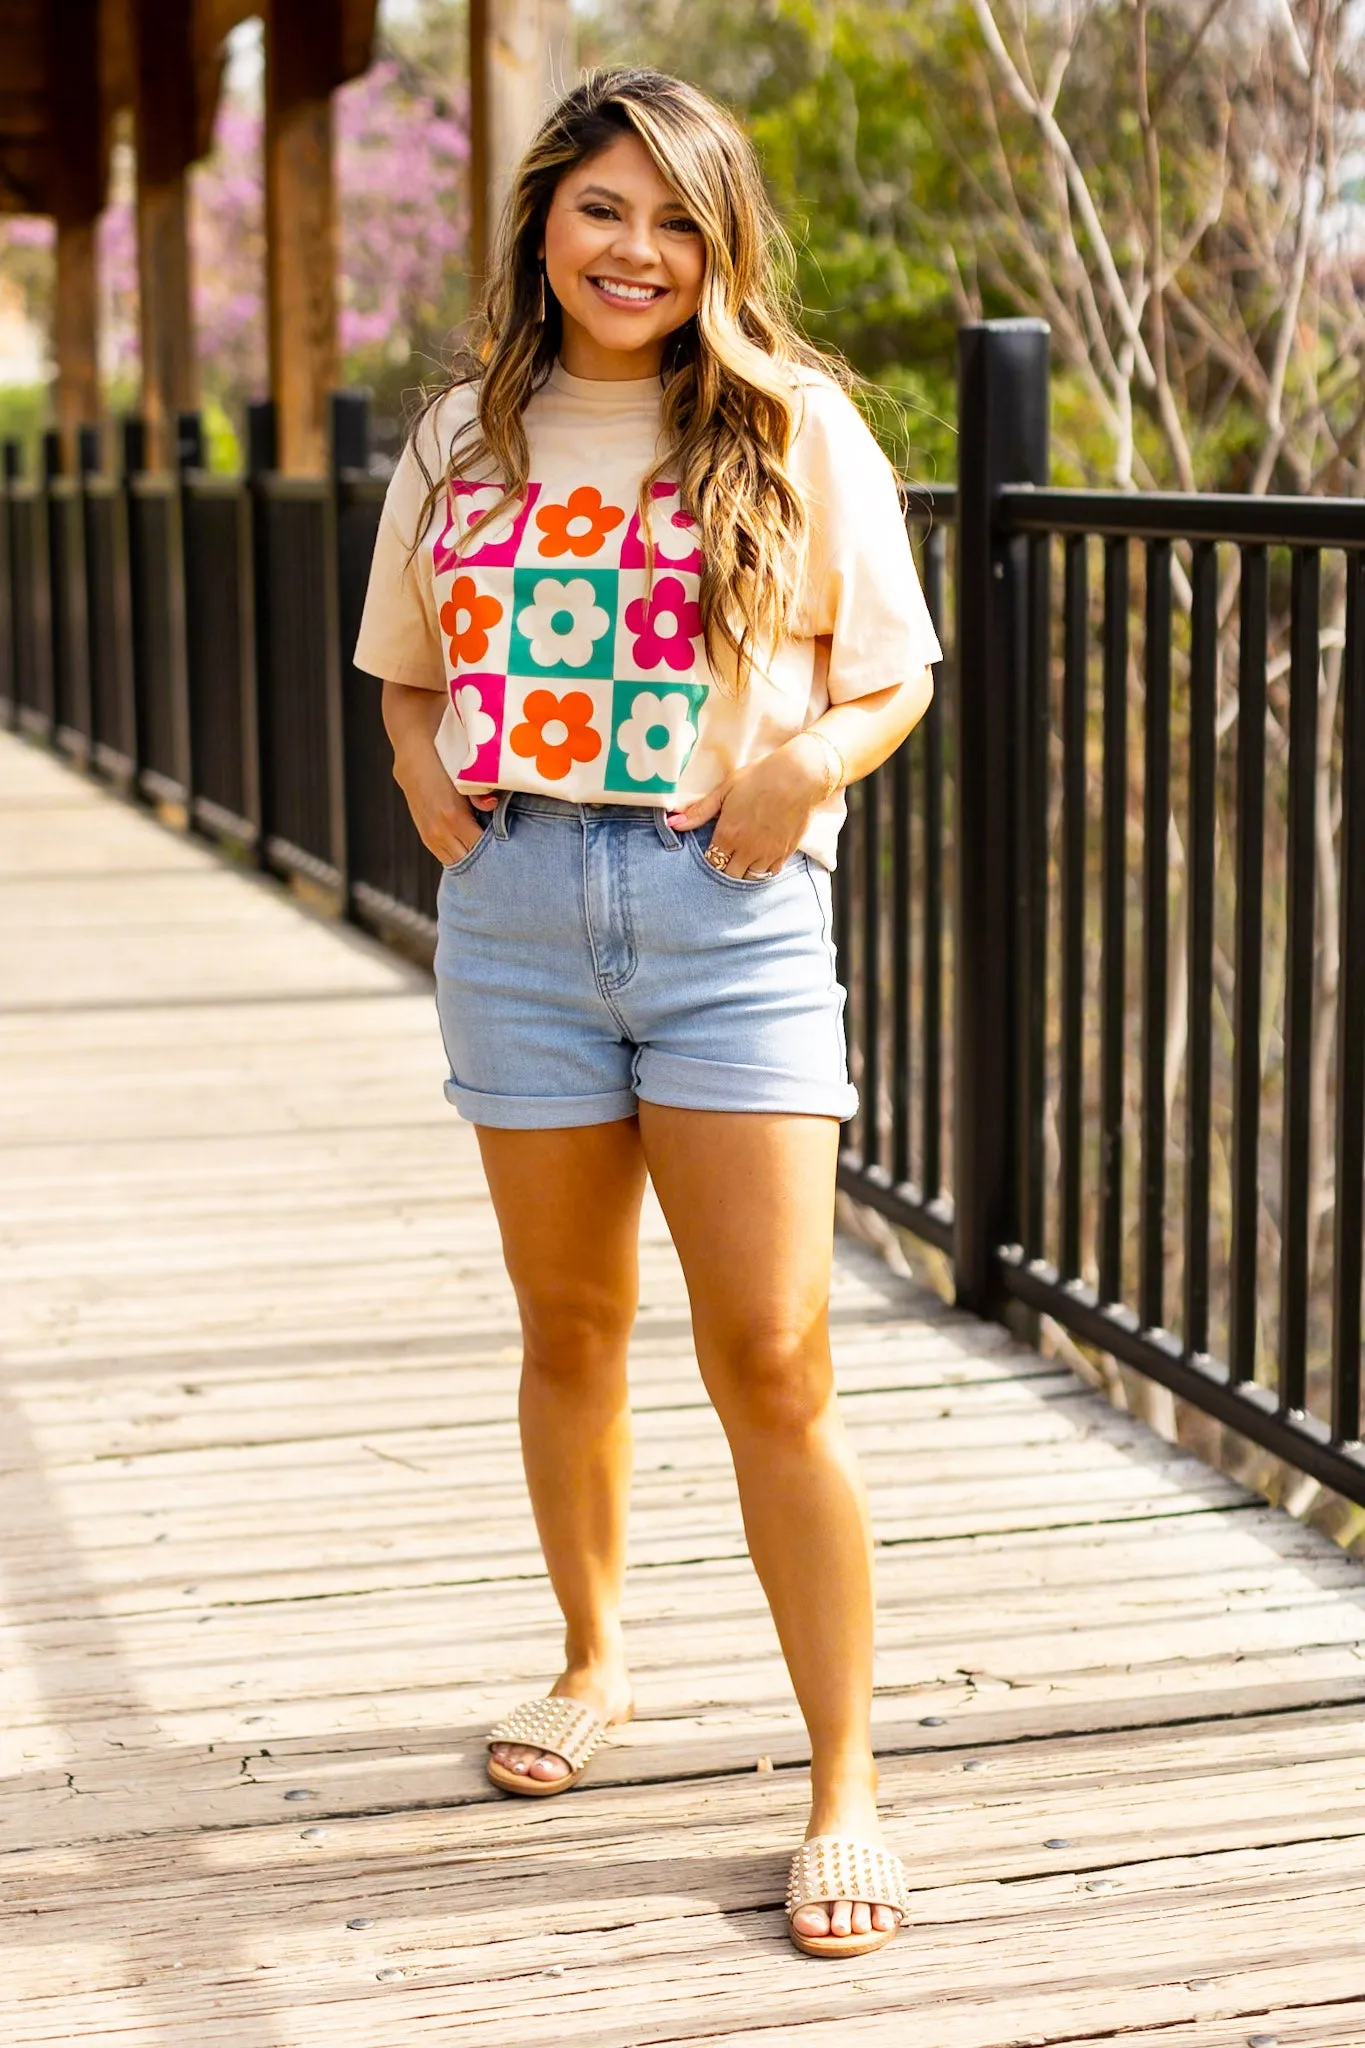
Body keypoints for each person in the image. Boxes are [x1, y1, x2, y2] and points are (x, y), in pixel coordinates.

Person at [353, 66, 941, 1961]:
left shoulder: (793, 422)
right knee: (571, 1323)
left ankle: (842, 1777)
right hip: (515, 912)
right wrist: (426, 772)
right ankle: (594, 1658)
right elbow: (405, 671)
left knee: (772, 1354)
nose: (639, 250)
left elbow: (894, 675)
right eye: (605, 208)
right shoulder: (466, 434)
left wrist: (805, 771)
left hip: (729, 915)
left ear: (723, 245)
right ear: (545, 220)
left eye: (679, 219)